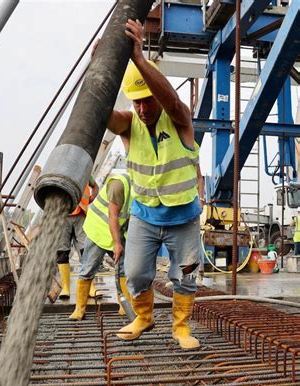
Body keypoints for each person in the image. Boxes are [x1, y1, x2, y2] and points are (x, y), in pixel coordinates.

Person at [107, 19, 202, 349]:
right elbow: (106, 116)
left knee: (187, 274)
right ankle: (144, 317)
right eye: (137, 102)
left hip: (183, 219)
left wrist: (140, 61)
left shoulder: (179, 120)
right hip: (145, 218)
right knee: (134, 273)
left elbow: (173, 103)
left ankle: (181, 327)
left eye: (148, 100)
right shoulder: (128, 124)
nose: (143, 108)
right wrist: (100, 67)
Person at [68, 172, 132, 320]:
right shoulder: (119, 184)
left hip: (119, 230)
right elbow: (113, 216)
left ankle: (124, 305)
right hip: (99, 229)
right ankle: (79, 309)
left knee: (124, 270)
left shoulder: (143, 190)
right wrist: (117, 244)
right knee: (88, 268)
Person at [57, 177, 98, 300]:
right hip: (62, 215)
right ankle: (66, 288)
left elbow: (95, 186)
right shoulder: (58, 170)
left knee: (85, 251)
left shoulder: (84, 168)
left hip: (81, 214)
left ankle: (91, 286)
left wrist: (90, 199)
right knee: (62, 252)